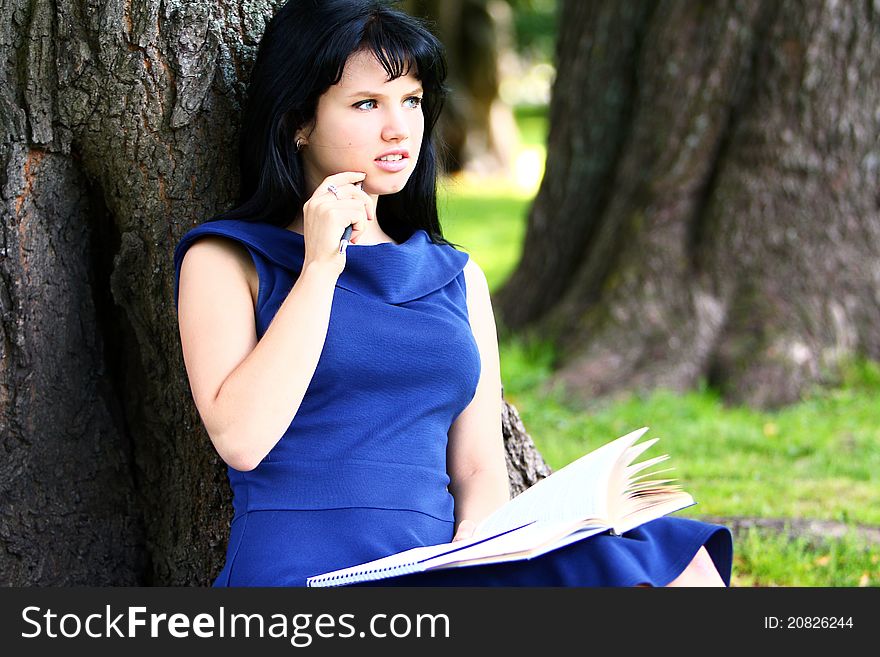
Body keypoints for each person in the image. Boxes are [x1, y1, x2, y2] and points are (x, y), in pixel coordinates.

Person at [172, 0, 732, 587]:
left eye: (410, 101)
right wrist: (318, 269)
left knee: (671, 555)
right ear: (299, 122)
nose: (399, 128)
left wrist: (478, 547)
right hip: (306, 572)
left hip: (442, 566)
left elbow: (478, 466)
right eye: (366, 104)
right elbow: (241, 440)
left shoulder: (455, 276)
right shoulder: (228, 258)